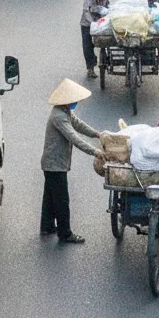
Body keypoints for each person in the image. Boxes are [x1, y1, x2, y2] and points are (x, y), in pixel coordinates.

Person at [41, 79, 104, 244]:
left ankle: (47, 226)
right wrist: (95, 151)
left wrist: (97, 134)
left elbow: (79, 125)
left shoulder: (65, 112)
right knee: (61, 200)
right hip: (55, 164)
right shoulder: (59, 116)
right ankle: (65, 233)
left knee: (50, 196)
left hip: (53, 163)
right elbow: (74, 137)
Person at [81, 0, 116, 79]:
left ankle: (105, 57)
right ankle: (90, 68)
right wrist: (93, 24)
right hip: (87, 23)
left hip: (100, 21)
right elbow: (86, 11)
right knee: (87, 46)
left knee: (105, 40)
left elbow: (107, 6)